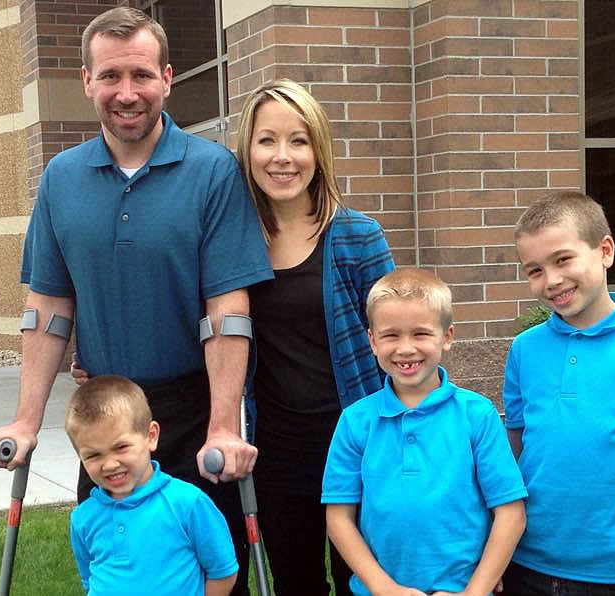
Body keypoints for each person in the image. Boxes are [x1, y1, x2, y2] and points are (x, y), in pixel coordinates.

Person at [0, 8, 272, 594]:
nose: (127, 93)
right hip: (106, 414)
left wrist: (224, 425)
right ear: (87, 80)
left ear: (167, 77)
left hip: (192, 412)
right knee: (120, 570)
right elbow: (48, 308)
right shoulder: (61, 177)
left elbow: (227, 309)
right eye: (111, 77)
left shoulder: (212, 170)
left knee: (209, 572)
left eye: (141, 75)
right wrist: (26, 419)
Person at [72, 78, 395, 594]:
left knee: (367, 575)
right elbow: (200, 323)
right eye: (267, 140)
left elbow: (396, 338)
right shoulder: (229, 234)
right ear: (247, 149)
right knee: (296, 578)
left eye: (299, 140)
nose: (283, 157)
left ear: (319, 149)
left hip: (355, 441)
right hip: (275, 446)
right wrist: (101, 354)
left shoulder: (357, 236)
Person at [501, 191, 615, 596]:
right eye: (534, 270)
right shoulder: (524, 349)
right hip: (523, 560)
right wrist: (492, 551)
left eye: (563, 259)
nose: (551, 280)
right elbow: (510, 456)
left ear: (605, 250)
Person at [323, 268, 527, 596]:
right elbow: (339, 519)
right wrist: (385, 589)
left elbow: (510, 513)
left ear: (447, 336)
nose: (405, 349)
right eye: (391, 335)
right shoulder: (355, 421)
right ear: (372, 341)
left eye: (420, 334)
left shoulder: (477, 416)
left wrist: (474, 592)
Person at [66, 375, 238, 596]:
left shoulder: (187, 503)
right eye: (93, 455)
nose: (110, 464)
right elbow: (90, 579)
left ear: (151, 436)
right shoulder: (83, 517)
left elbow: (223, 571)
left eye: (121, 447)